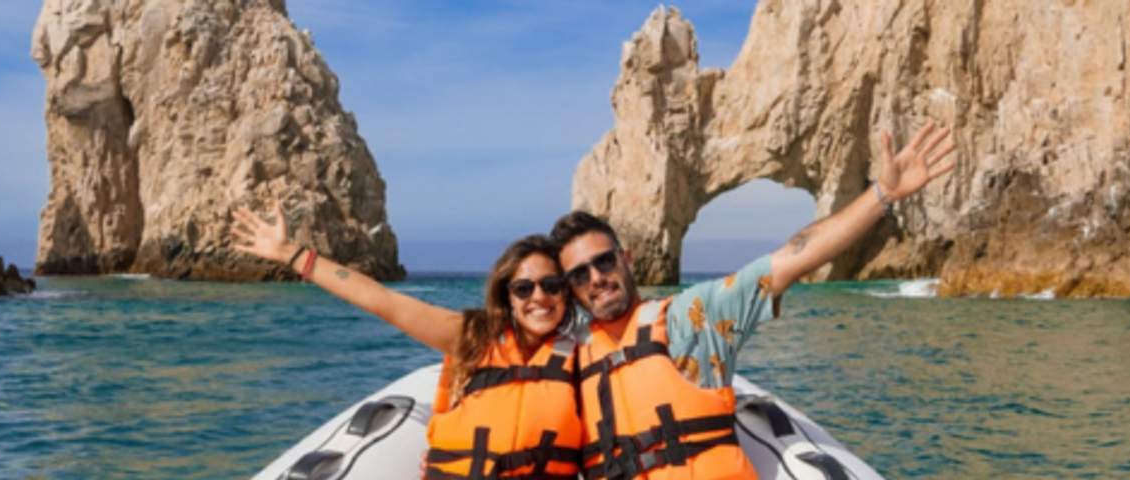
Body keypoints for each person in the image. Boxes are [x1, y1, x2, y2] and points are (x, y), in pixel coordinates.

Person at [551, 123, 960, 479]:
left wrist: (883, 194)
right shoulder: (576, 359)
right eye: (579, 274)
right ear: (569, 287)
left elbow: (792, 258)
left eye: (604, 261)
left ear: (626, 259)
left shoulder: (693, 318)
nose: (596, 279)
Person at [229, 206, 585, 479]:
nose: (539, 297)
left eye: (551, 285)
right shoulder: (471, 338)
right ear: (507, 296)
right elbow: (382, 300)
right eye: (524, 288)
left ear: (566, 293)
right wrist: (293, 254)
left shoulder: (583, 360)